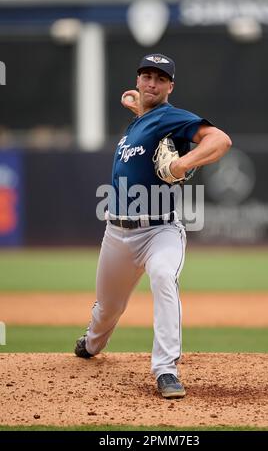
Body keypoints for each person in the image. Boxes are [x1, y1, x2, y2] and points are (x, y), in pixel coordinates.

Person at [75, 53, 232, 399]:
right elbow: (151, 122)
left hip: (160, 230)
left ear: (170, 86)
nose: (151, 82)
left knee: (163, 275)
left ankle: (166, 369)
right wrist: (139, 109)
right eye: (146, 76)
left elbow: (220, 140)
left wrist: (181, 165)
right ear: (137, 80)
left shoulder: (172, 117)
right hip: (117, 233)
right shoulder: (140, 123)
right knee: (107, 309)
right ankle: (91, 343)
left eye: (160, 79)